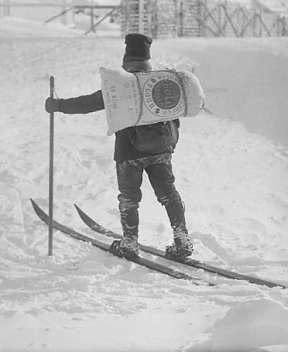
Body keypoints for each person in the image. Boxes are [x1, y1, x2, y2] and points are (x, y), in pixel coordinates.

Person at [45, 33, 193, 260]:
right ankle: (182, 239)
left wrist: (58, 105)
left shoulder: (122, 85)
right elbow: (174, 113)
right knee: (168, 194)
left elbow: (87, 104)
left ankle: (130, 244)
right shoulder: (160, 81)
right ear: (147, 58)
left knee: (129, 197)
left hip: (129, 152)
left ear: (126, 59)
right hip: (161, 150)